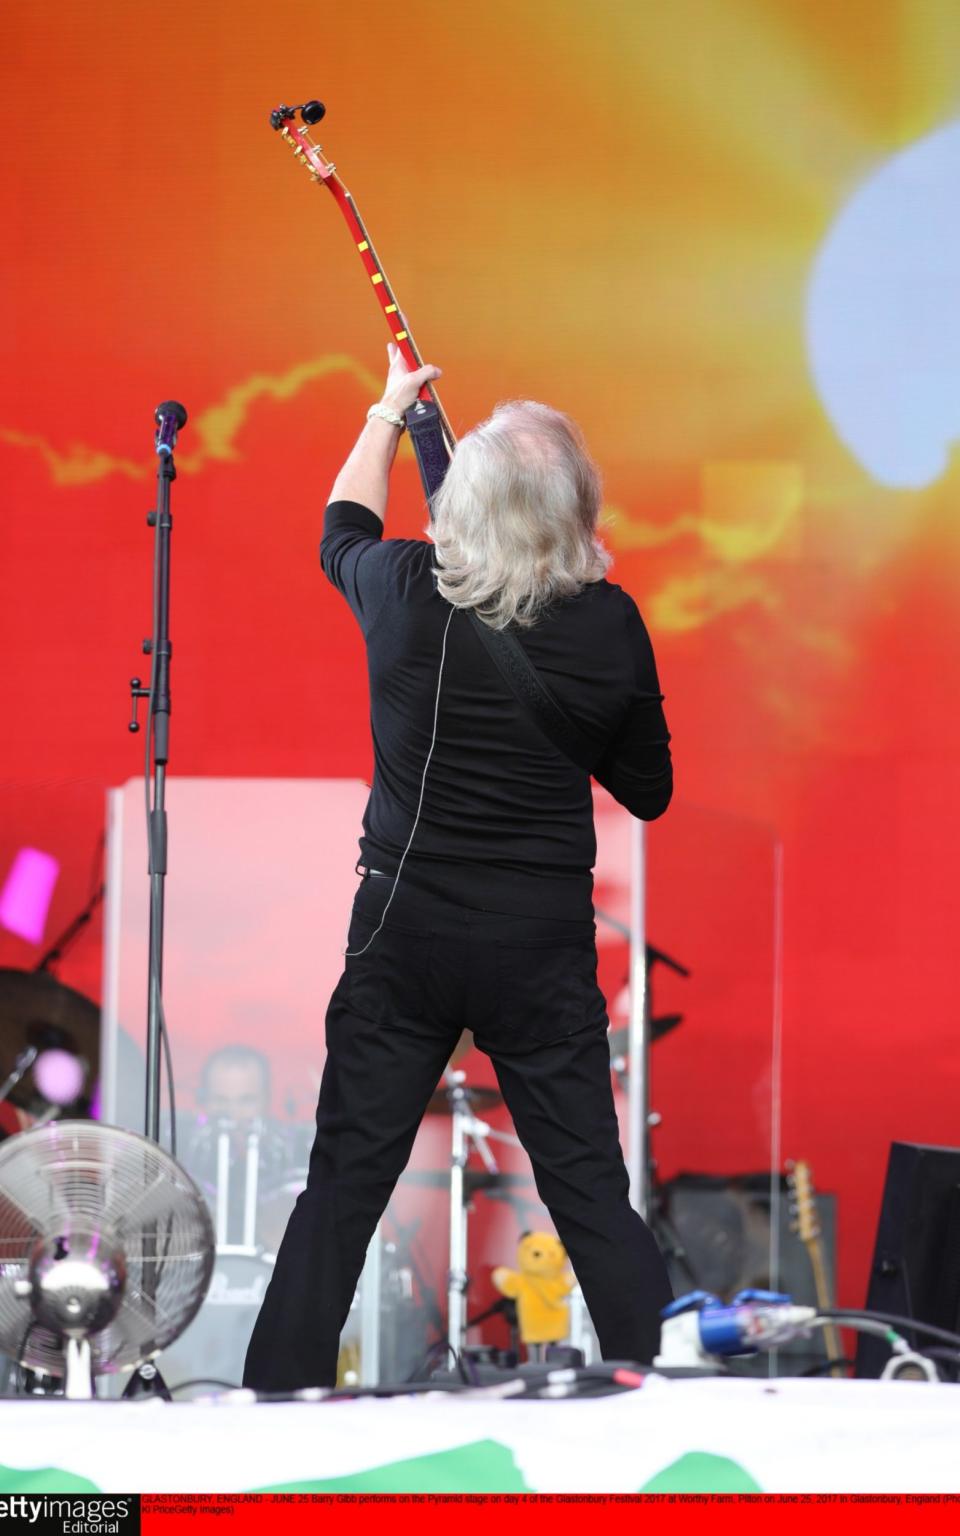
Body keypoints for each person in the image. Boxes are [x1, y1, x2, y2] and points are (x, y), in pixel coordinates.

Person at [243, 346, 674, 1391]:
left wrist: (389, 414)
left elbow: (339, 529)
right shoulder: (608, 625)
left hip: (404, 936)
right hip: (537, 946)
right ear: (573, 511)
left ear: (460, 506)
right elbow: (648, 789)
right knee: (585, 1187)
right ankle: (664, 1402)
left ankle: (267, 1406)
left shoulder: (397, 589)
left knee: (344, 1180)